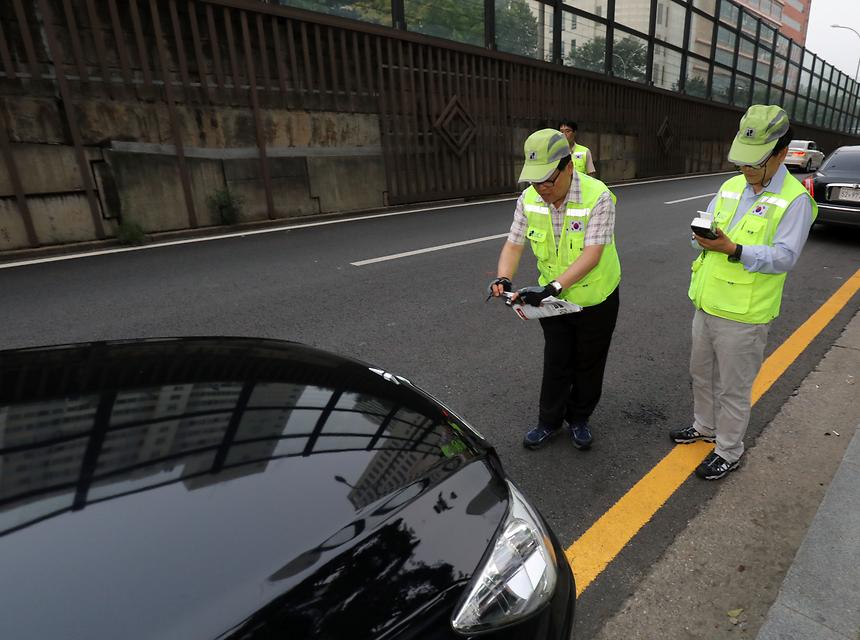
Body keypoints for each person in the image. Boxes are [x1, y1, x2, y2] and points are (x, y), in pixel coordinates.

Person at [670, 104, 817, 480]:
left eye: (756, 162)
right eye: (743, 161)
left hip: (745, 314)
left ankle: (729, 450)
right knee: (700, 374)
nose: (747, 169)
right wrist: (701, 238)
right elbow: (708, 224)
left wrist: (735, 250)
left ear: (782, 153)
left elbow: (785, 257)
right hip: (706, 301)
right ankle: (703, 427)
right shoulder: (731, 185)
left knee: (733, 388)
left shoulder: (795, 199)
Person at [488, 129, 621, 451]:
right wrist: (504, 278)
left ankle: (579, 419)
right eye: (535, 182)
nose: (542, 189)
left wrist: (552, 287)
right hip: (551, 300)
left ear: (568, 167)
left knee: (588, 362)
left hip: (595, 297)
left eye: (548, 180)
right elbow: (514, 243)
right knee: (557, 358)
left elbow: (593, 254)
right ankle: (548, 422)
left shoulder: (598, 196)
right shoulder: (529, 199)